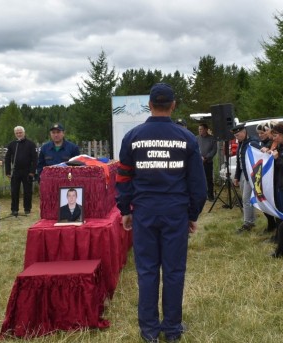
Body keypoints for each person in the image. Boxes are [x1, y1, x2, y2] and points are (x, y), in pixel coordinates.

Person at [116, 83, 206, 343]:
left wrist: (125, 209)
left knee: (147, 271)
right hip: (175, 212)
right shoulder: (186, 138)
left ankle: (149, 330)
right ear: (173, 106)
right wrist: (192, 214)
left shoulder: (133, 137)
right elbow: (198, 185)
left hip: (144, 212)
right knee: (174, 271)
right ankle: (173, 328)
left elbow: (123, 177)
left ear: (149, 105)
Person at [232, 123, 260, 233]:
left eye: (238, 135)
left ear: (244, 132)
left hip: (250, 173)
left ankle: (248, 222)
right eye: (235, 136)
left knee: (246, 199)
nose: (236, 138)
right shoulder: (241, 144)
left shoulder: (252, 142)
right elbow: (239, 162)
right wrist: (236, 176)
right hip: (243, 173)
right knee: (246, 199)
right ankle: (251, 219)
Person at [4, 126, 38, 216]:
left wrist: (32, 171)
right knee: (14, 191)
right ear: (15, 134)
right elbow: (7, 158)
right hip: (15, 171)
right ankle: (14, 209)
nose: (19, 134)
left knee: (27, 191)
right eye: (17, 133)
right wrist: (7, 171)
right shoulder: (12, 144)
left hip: (27, 171)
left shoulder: (31, 144)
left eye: (20, 132)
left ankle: (27, 209)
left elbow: (35, 159)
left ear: (24, 133)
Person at [197, 123, 217, 201]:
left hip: (208, 162)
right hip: (198, 163)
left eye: (201, 129)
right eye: (199, 129)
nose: (200, 131)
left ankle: (210, 196)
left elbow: (214, 150)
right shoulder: (196, 138)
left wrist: (206, 157)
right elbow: (194, 149)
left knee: (209, 180)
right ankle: (200, 196)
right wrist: (199, 157)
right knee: (199, 179)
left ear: (206, 129)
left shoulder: (212, 139)